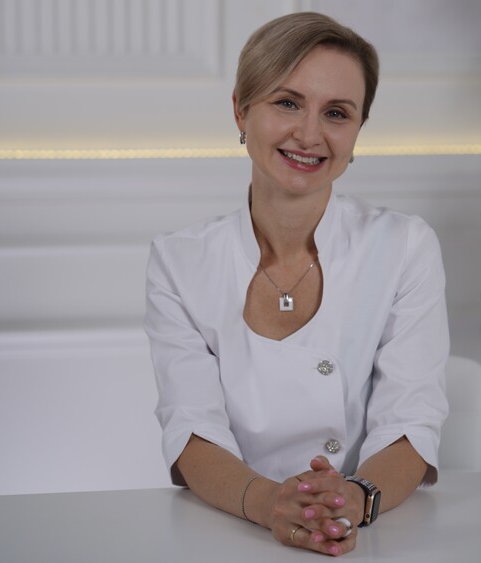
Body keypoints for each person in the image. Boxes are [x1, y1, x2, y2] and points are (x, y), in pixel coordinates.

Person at [144, 11, 449, 558]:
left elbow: (411, 422)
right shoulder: (179, 261)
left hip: (368, 535)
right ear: (241, 109)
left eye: (337, 113)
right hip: (228, 532)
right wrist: (274, 505)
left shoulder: (406, 246)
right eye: (287, 103)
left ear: (357, 133)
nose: (309, 134)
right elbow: (191, 431)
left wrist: (353, 499)